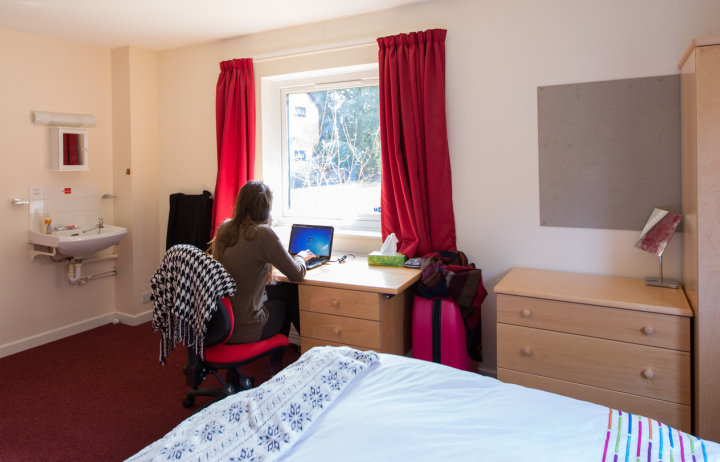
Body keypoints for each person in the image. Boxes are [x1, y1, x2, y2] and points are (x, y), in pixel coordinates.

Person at [210, 181, 313, 371]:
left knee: (280, 289)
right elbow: (296, 274)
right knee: (289, 293)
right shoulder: (262, 233)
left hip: (220, 324)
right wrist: (300, 257)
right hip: (245, 329)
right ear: (266, 208)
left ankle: (281, 362)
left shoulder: (225, 228)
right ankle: (307, 352)